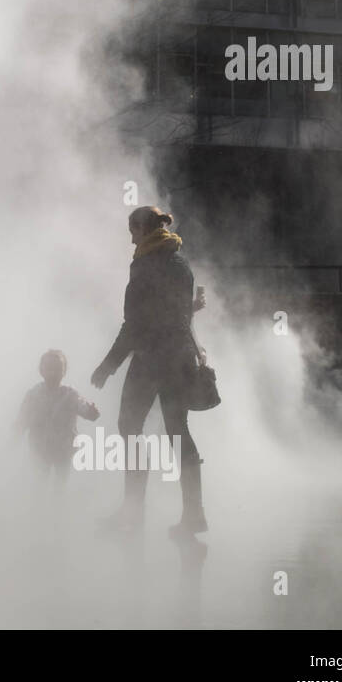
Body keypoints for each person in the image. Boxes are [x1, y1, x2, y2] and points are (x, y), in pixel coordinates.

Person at [90, 206, 208, 539]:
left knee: (129, 426)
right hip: (179, 356)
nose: (130, 239)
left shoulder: (143, 265)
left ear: (144, 230)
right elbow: (181, 314)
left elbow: (135, 324)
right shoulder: (180, 263)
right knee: (178, 430)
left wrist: (107, 366)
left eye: (133, 231)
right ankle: (193, 515)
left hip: (151, 359)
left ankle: (132, 511)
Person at [15, 350, 100, 487]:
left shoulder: (70, 394)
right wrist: (15, 435)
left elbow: (83, 408)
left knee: (60, 485)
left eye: (57, 369)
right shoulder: (33, 394)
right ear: (41, 370)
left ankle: (58, 507)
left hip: (63, 449)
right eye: (49, 368)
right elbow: (22, 419)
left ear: (64, 371)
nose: (53, 373)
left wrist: (91, 412)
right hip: (39, 447)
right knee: (40, 483)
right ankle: (38, 507)